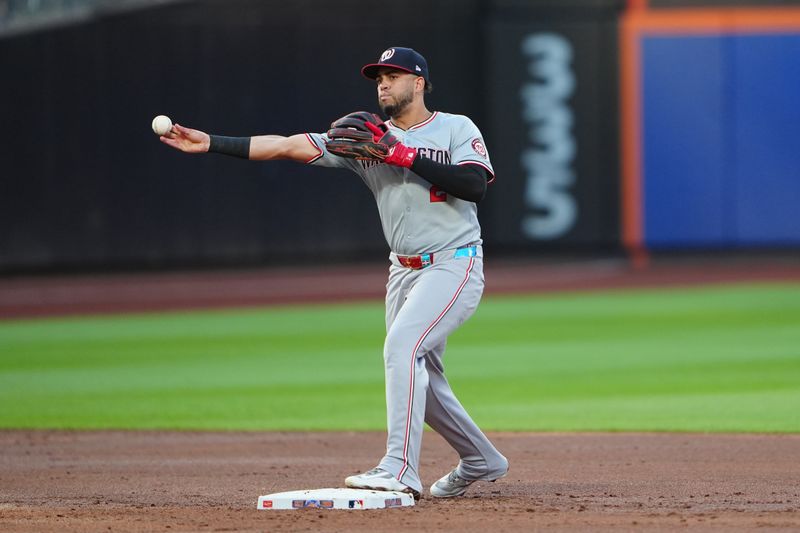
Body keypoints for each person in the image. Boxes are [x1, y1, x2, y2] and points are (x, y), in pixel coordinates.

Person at [158, 46, 508, 499]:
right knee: (425, 380)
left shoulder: (455, 127)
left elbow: (475, 185)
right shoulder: (363, 138)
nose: (382, 82)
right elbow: (285, 145)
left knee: (402, 348)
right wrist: (212, 142)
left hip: (454, 262)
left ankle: (399, 468)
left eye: (394, 75)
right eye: (378, 76)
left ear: (419, 82)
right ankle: (481, 458)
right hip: (402, 272)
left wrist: (400, 155)